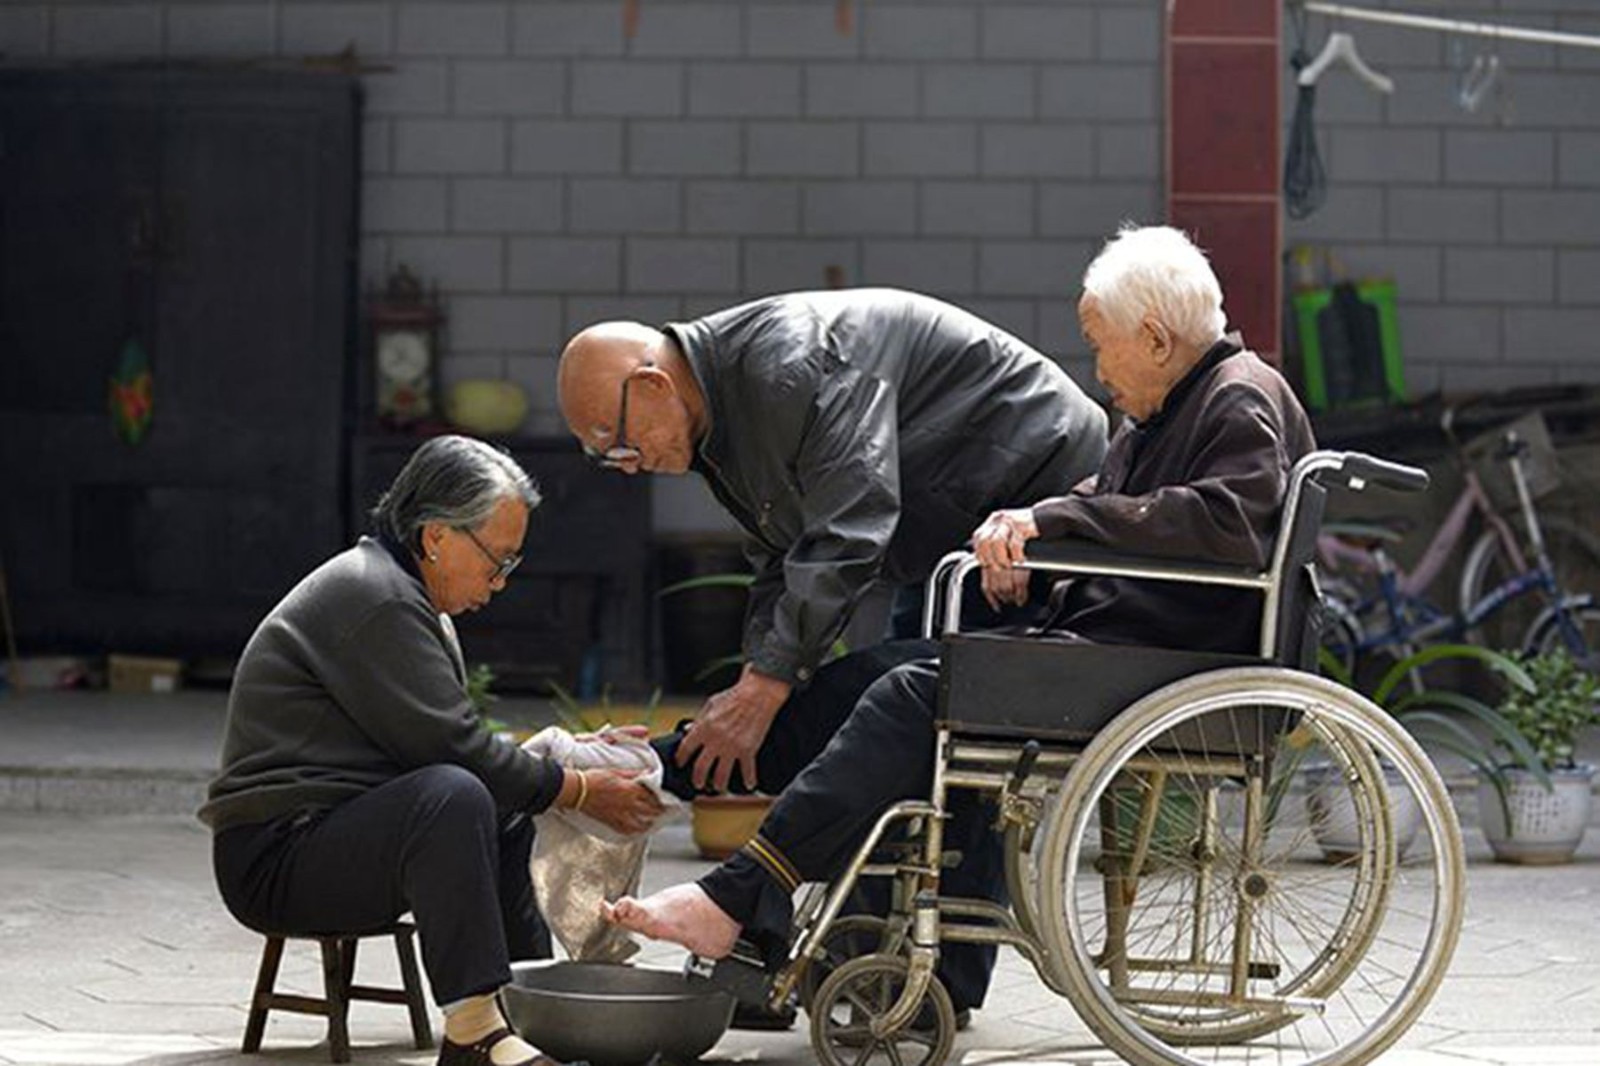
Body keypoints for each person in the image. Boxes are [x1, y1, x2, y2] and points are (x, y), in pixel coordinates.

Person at [599, 226, 1319, 1021]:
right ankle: (701, 823)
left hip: (1154, 664)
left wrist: (1050, 522)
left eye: (1100, 346)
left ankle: (743, 893)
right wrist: (1030, 532)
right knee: (860, 683)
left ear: (1154, 338)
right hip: (1107, 642)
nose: (1097, 368)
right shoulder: (1168, 412)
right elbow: (1120, 510)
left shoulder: (1239, 396)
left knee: (911, 696)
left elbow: (1225, 522)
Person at [200, 435, 663, 1066]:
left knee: (488, 804)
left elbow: (441, 740)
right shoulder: (378, 596)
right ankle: (474, 1029)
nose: (499, 583)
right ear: (437, 536)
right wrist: (577, 787)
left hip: (337, 833)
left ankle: (530, 1009)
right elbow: (454, 751)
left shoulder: (401, 594)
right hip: (277, 855)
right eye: (495, 561)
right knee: (454, 795)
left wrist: (564, 758)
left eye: (510, 566)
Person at [557, 288, 1108, 798]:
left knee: (940, 716)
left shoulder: (791, 365)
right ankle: (905, 894)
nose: (624, 466)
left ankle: (954, 900)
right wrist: (754, 687)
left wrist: (765, 688)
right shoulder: (718, 410)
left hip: (1032, 492)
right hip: (946, 526)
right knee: (891, 718)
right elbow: (782, 554)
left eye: (617, 442)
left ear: (654, 385)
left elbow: (851, 526)